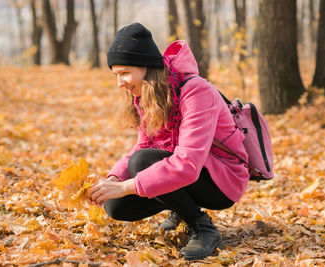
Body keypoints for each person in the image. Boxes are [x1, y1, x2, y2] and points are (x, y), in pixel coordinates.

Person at [86, 22, 249, 261]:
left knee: (143, 164)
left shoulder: (196, 92)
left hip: (223, 179)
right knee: (115, 205)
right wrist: (113, 180)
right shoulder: (148, 95)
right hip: (189, 173)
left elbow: (187, 164)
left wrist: (125, 187)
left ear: (147, 67)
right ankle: (180, 209)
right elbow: (143, 146)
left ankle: (203, 228)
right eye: (116, 75)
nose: (120, 83)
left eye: (125, 73)